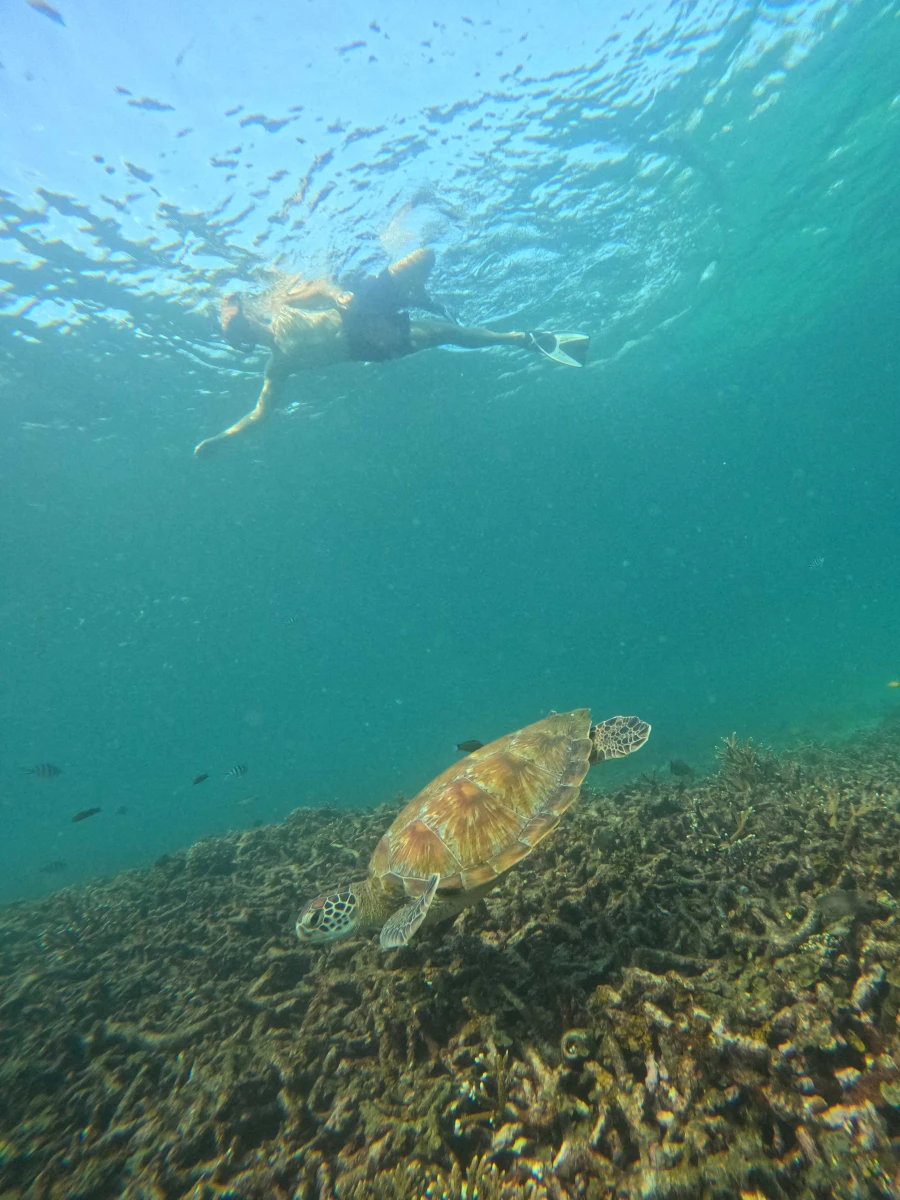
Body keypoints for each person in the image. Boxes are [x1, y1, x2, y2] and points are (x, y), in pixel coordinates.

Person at [193, 248, 589, 458]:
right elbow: (261, 414)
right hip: (366, 346)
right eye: (241, 331)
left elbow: (318, 285)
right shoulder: (277, 366)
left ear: (248, 314)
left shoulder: (283, 307)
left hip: (357, 313)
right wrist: (221, 440)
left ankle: (416, 293)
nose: (248, 327)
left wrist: (335, 294)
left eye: (243, 320)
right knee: (445, 333)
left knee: (423, 256)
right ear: (244, 340)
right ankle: (522, 339)